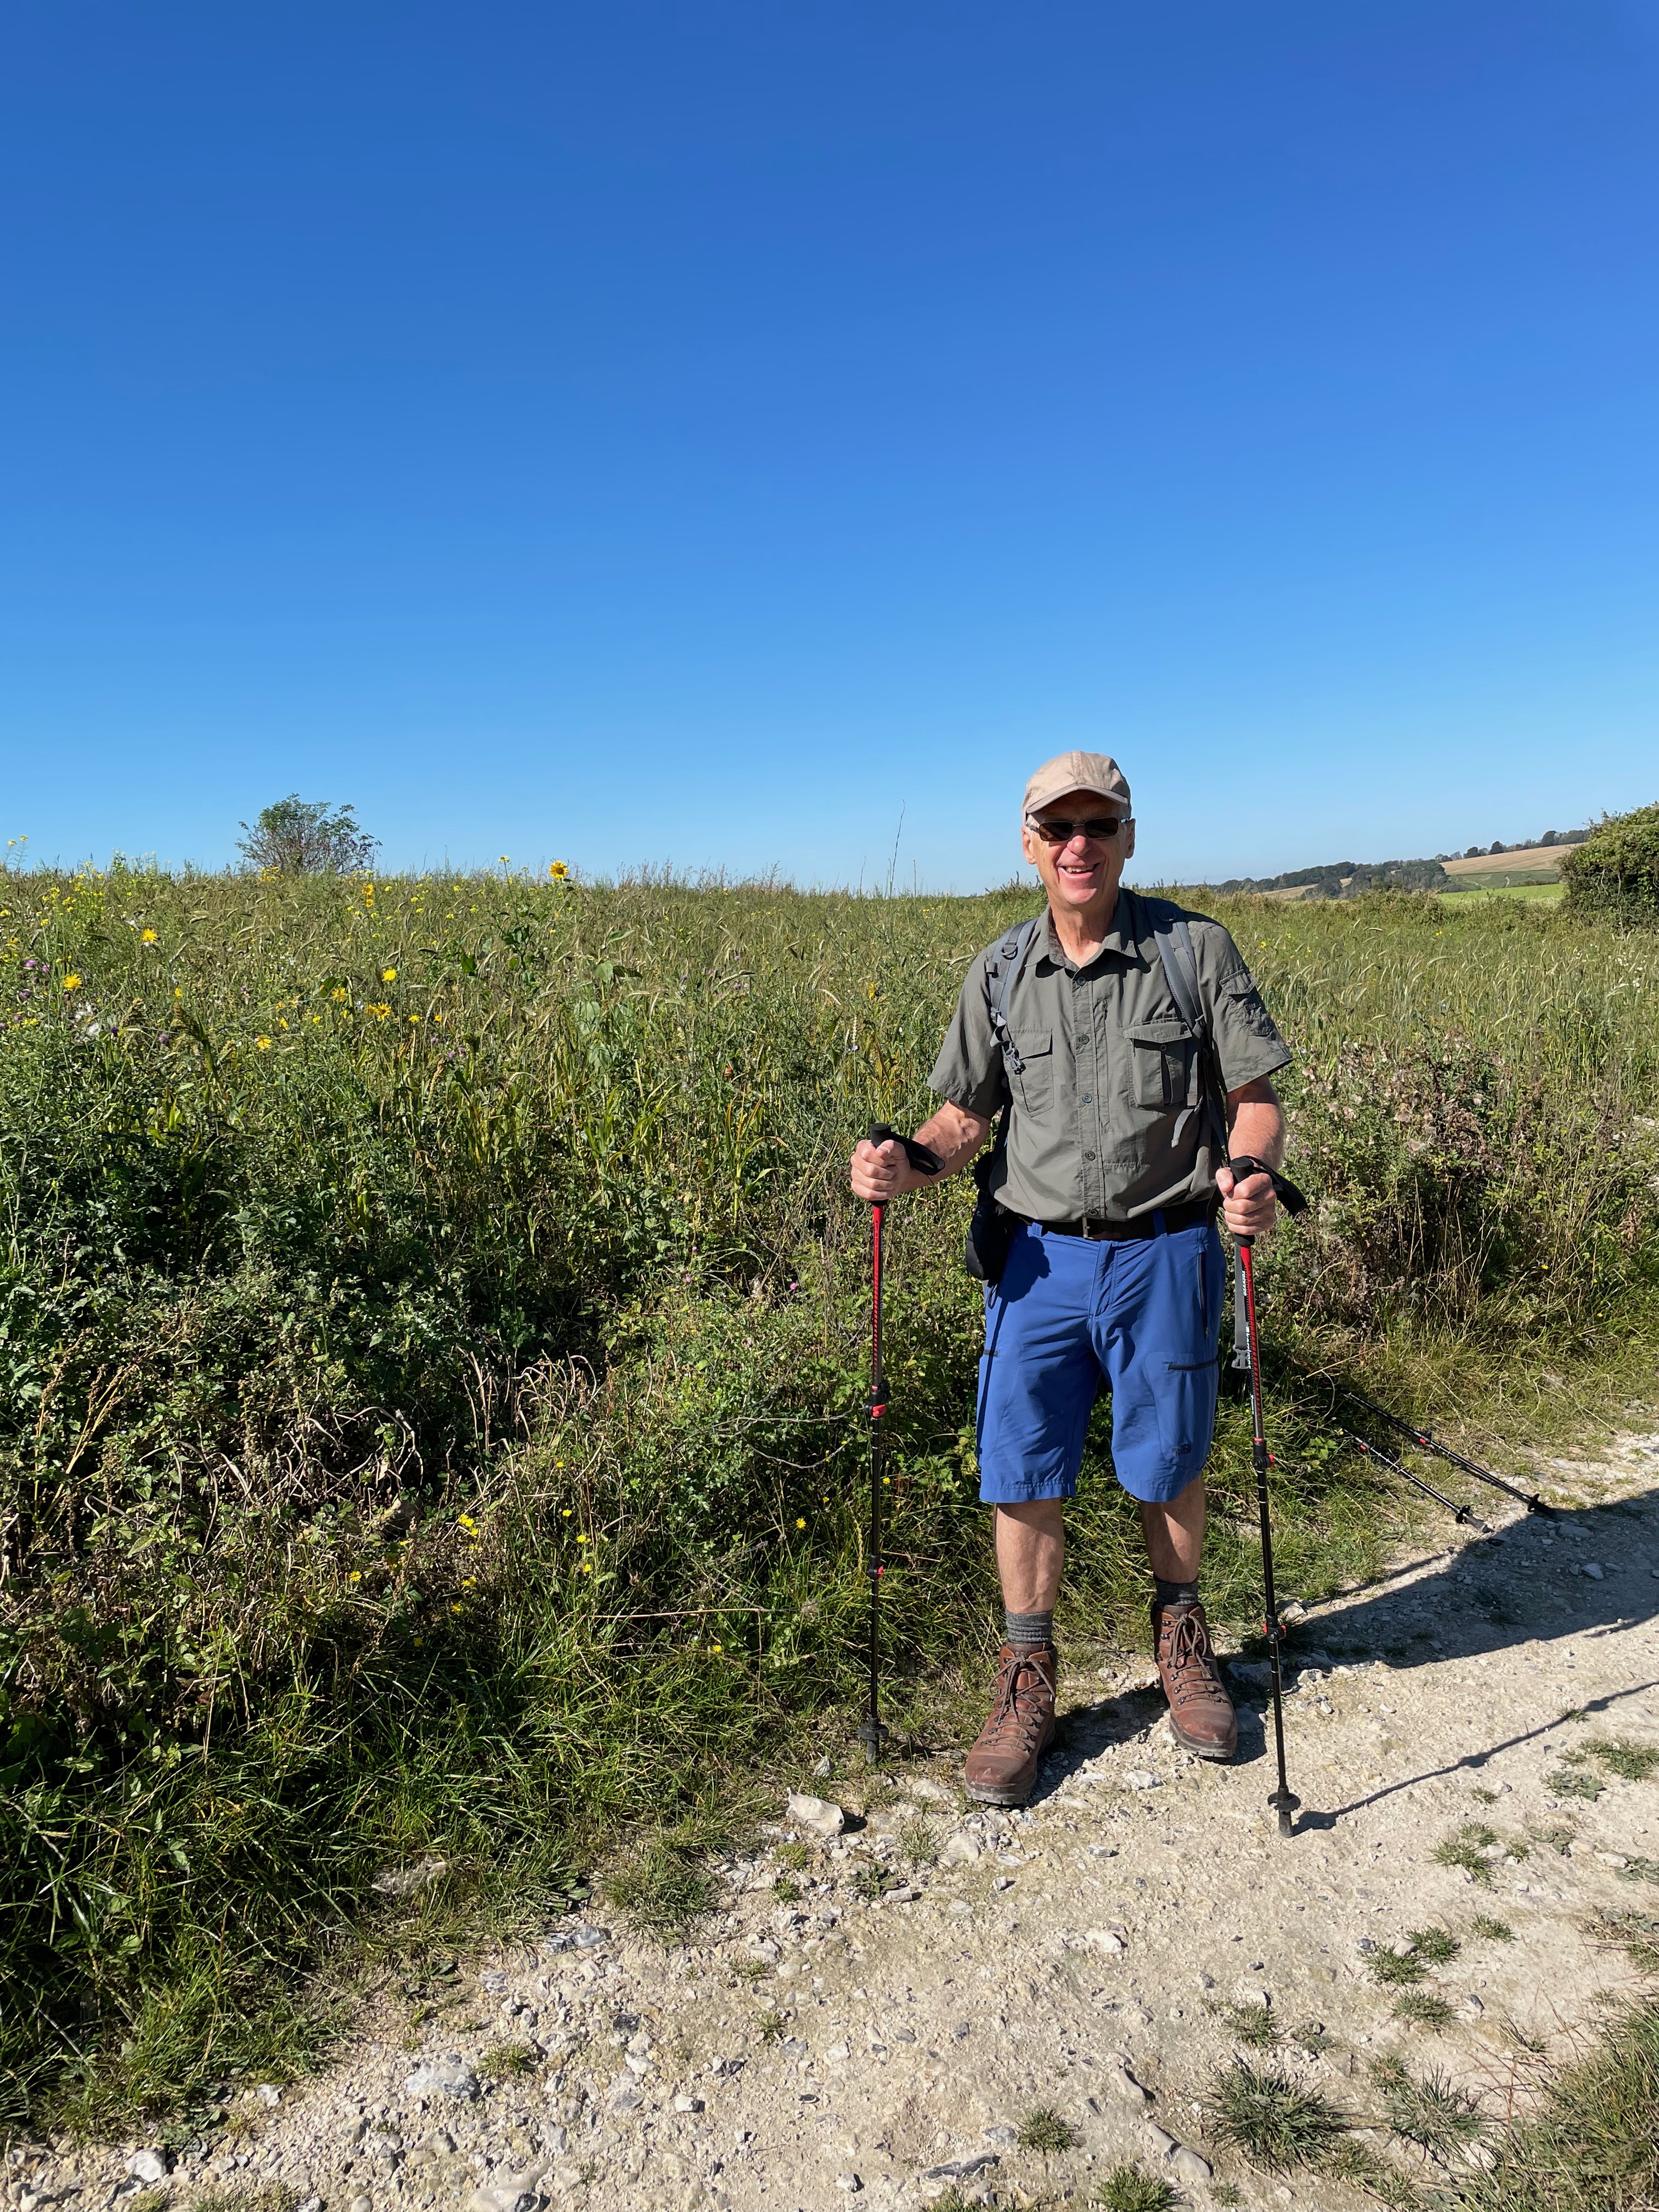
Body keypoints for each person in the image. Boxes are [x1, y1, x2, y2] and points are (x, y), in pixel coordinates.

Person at [848, 751, 1293, 1805]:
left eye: (1099, 825)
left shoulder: (1193, 950)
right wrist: (905, 1162)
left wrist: (1252, 1174)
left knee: (1169, 1455)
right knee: (1021, 1464)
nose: (1078, 845)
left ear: (1129, 837)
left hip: (1165, 1249)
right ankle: (1026, 1677)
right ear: (1030, 845)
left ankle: (1183, 1640)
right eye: (1059, 828)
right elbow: (964, 1119)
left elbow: (1255, 1100)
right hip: (1036, 1262)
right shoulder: (1000, 971)